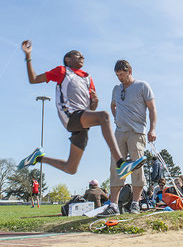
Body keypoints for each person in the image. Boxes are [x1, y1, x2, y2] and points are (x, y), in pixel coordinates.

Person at [18, 41, 141, 182]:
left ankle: (38, 158)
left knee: (71, 168)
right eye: (78, 55)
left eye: (83, 56)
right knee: (104, 116)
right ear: (68, 59)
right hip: (70, 116)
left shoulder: (88, 78)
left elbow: (91, 109)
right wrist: (28, 56)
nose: (82, 57)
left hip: (82, 123)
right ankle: (121, 164)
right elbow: (33, 79)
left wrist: (95, 101)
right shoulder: (62, 71)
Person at [99, 59, 157, 217]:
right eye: (117, 75)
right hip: (119, 132)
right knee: (116, 166)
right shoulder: (116, 89)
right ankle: (113, 205)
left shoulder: (142, 86)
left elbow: (152, 109)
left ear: (129, 72)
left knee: (137, 167)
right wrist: (116, 117)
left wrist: (152, 129)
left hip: (137, 132)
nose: (119, 78)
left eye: (122, 74)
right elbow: (113, 105)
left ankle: (135, 203)